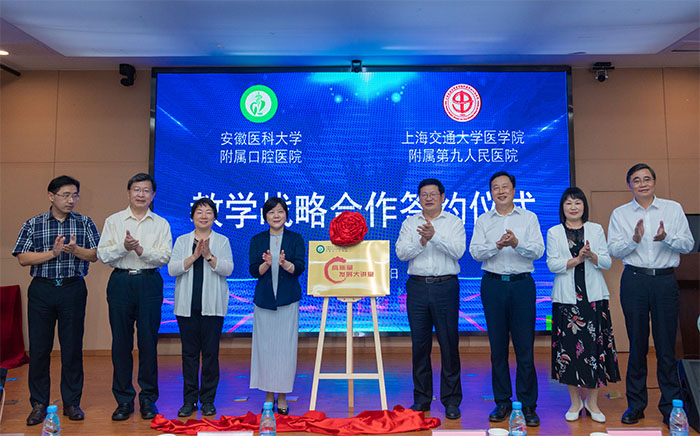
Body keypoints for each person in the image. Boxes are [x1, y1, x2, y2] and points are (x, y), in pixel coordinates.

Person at [608, 163, 694, 425]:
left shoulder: (673, 209)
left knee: (666, 346)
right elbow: (614, 250)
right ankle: (636, 405)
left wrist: (666, 238)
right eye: (636, 180)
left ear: (654, 182)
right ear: (629, 185)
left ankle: (670, 406)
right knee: (637, 345)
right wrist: (634, 240)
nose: (642, 184)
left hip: (665, 281)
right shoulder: (620, 214)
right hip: (634, 280)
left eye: (647, 179)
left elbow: (688, 244)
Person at [12, 175, 100, 425]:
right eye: (66, 195)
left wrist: (75, 250)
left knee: (72, 349)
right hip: (43, 290)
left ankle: (72, 403)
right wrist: (53, 253)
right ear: (51, 196)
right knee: (40, 349)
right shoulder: (33, 223)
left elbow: (95, 254)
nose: (71, 200)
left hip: (73, 289)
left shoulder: (84, 222)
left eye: (75, 195)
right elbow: (23, 258)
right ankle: (39, 404)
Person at [469, 171, 544, 427]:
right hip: (493, 285)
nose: (500, 191)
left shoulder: (529, 217)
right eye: (495, 187)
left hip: (522, 285)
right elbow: (475, 252)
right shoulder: (483, 220)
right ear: (491, 192)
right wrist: (498, 246)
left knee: (525, 348)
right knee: (498, 348)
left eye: (505, 186)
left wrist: (516, 243)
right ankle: (502, 401)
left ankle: (528, 405)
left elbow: (538, 250)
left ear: (514, 190)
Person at [97, 173, 172, 421]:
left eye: (146, 190)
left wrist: (139, 249)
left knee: (148, 342)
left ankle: (148, 399)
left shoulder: (161, 223)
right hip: (120, 282)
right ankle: (124, 400)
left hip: (149, 282)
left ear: (153, 195)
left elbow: (164, 256)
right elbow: (103, 254)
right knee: (121, 343)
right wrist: (124, 247)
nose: (141, 194)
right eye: (136, 189)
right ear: (128, 192)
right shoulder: (114, 221)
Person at [547, 187, 621, 423]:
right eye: (568, 203)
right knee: (569, 352)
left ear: (584, 206)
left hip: (593, 299)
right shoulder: (554, 232)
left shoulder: (595, 229)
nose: (573, 207)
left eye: (577, 203)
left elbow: (607, 262)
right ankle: (575, 402)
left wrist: (592, 257)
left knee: (594, 351)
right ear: (562, 207)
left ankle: (593, 402)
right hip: (567, 300)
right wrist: (577, 259)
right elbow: (552, 264)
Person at [396, 178, 465, 420]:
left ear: (442, 197)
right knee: (420, 346)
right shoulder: (410, 222)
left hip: (446, 286)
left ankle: (451, 400)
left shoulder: (453, 222)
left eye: (433, 194)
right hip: (417, 287)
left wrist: (434, 236)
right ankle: (422, 398)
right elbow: (401, 253)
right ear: (418, 198)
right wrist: (422, 241)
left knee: (449, 344)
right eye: (423, 194)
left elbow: (458, 252)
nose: (428, 198)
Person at [168, 198, 233, 418]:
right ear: (192, 216)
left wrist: (208, 257)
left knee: (211, 355)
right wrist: (194, 256)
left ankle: (207, 401)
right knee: (189, 355)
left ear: (214, 217)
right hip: (187, 308)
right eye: (199, 212)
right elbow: (172, 269)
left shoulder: (222, 241)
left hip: (212, 308)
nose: (204, 216)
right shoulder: (182, 241)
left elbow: (228, 269)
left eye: (208, 212)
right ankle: (189, 401)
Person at [248, 197, 305, 415]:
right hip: (264, 301)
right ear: (265, 216)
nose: (276, 216)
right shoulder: (257, 239)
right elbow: (254, 271)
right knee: (266, 349)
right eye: (271, 212)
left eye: (280, 211)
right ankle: (268, 395)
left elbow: (299, 267)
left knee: (285, 350)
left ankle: (282, 396)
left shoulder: (295, 238)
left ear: (286, 215)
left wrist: (284, 264)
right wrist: (266, 264)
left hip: (287, 301)